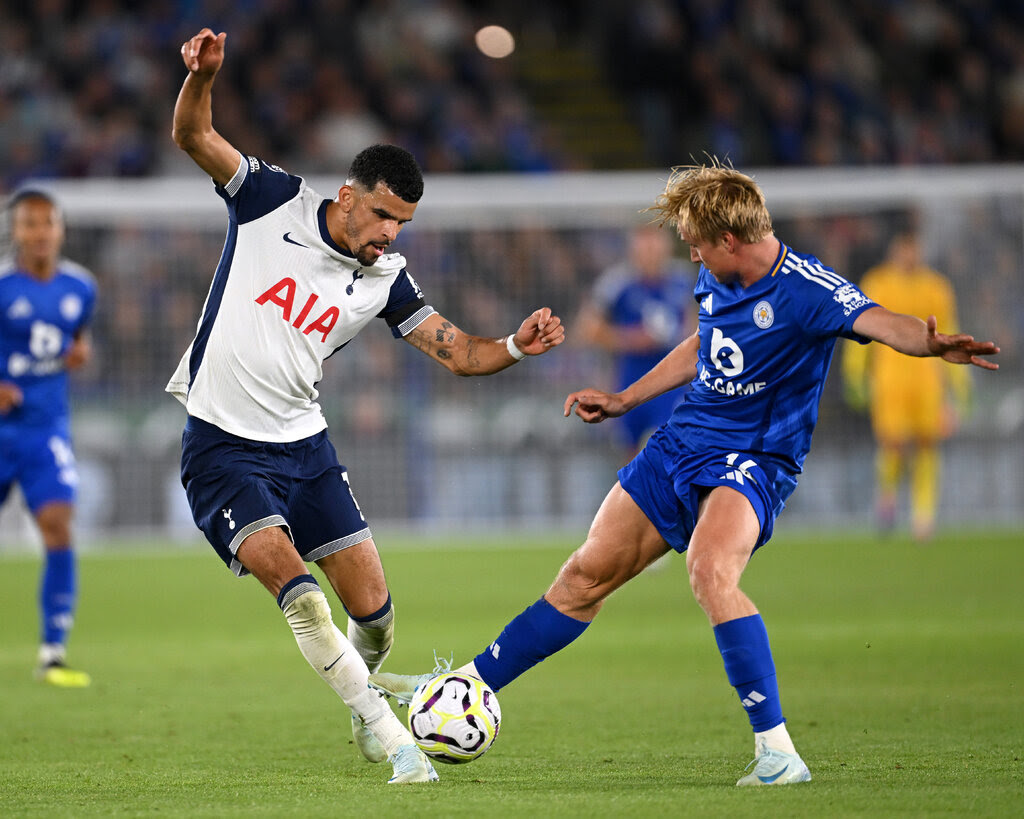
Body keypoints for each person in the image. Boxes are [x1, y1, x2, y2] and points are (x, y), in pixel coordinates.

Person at [369, 162, 999, 786]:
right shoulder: (713, 276)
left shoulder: (807, 289)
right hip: (680, 445)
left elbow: (880, 321)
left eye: (697, 244)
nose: (690, 256)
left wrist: (930, 343)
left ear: (731, 240)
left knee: (709, 570)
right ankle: (469, 684)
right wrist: (627, 400)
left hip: (752, 458)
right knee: (586, 574)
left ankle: (778, 753)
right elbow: (703, 342)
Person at [166, 29, 564, 786]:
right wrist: (203, 78)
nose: (388, 235)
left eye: (402, 224)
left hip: (304, 446)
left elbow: (459, 353)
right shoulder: (269, 199)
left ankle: (360, 705)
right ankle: (396, 741)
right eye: (382, 216)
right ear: (347, 196)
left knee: (376, 614)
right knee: (304, 600)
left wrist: (513, 344)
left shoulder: (388, 279)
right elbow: (192, 133)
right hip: (222, 447)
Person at [1, 188, 97, 688]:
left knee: (58, 525)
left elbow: (78, 344)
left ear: (60, 229)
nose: (39, 233)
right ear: (15, 231)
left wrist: (79, 355)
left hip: (44, 430)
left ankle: (52, 651)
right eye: (29, 224)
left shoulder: (81, 287)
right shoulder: (0, 286)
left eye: (47, 223)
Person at [841, 229, 970, 541]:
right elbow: (862, 331)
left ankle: (923, 516)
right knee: (893, 444)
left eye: (914, 249)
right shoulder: (878, 283)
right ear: (895, 249)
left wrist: (960, 388)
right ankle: (886, 501)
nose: (910, 255)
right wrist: (855, 374)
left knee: (927, 443)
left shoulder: (937, 287)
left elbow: (950, 334)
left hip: (928, 381)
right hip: (890, 381)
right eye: (904, 248)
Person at [576, 224, 695, 460]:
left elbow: (699, 324)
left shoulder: (684, 281)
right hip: (629, 380)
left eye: (655, 241)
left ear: (667, 245)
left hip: (670, 383)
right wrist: (630, 339)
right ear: (633, 247)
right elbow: (587, 329)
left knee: (669, 448)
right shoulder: (616, 283)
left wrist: (678, 337)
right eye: (644, 242)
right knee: (631, 458)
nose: (651, 249)